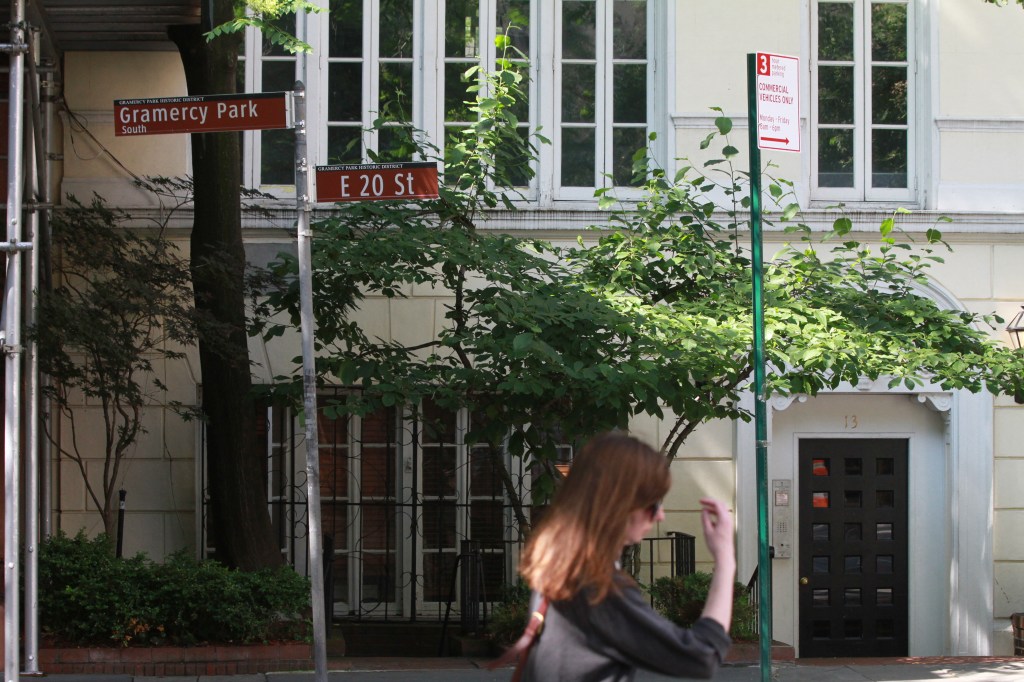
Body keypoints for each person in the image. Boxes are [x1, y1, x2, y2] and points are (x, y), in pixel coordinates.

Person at [516, 432, 736, 681]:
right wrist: (725, 560)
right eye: (653, 504)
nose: (660, 516)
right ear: (620, 504)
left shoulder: (560, 566)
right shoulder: (598, 587)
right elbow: (701, 656)